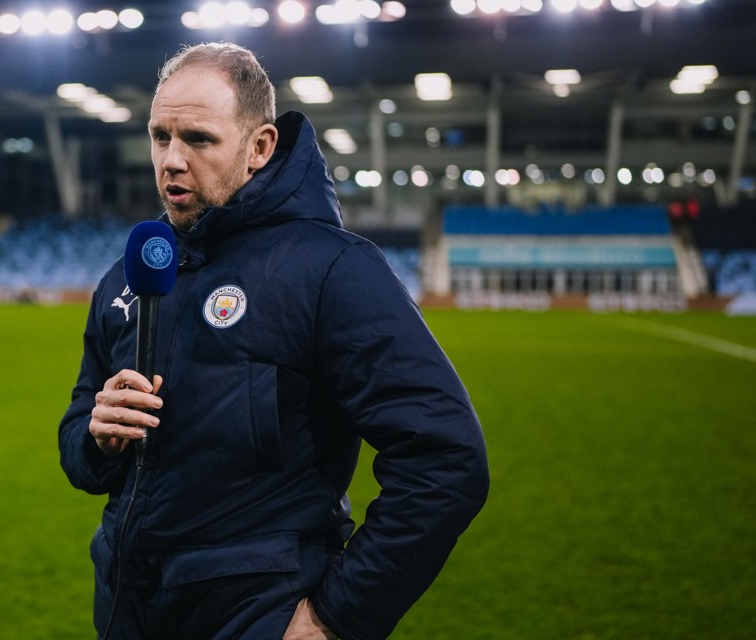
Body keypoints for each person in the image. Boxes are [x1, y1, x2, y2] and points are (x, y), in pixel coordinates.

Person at [58, 42, 489, 640]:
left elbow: (446, 458)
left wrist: (337, 617)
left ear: (260, 147)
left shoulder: (334, 269)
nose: (172, 161)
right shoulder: (130, 272)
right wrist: (96, 438)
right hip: (128, 608)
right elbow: (78, 429)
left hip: (259, 614)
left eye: (199, 139)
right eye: (161, 137)